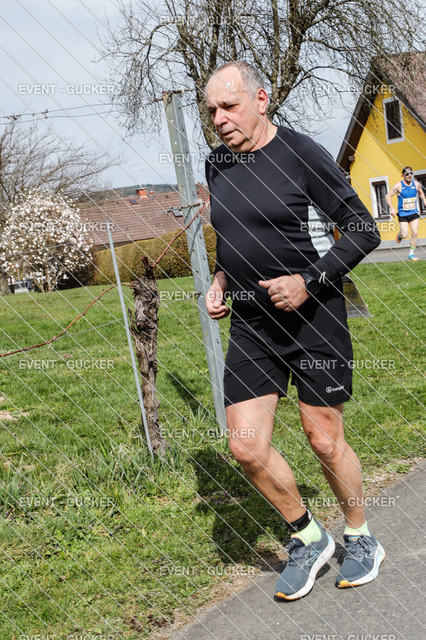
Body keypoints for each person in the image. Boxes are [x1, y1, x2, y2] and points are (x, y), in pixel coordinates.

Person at [204, 61, 384, 601]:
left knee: (323, 438)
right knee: (245, 447)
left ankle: (361, 536)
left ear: (261, 100)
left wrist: (308, 281)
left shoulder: (303, 154)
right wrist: (220, 279)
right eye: (211, 111)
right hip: (252, 324)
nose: (219, 119)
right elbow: (232, 235)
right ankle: (308, 536)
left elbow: (363, 229)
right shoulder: (218, 163)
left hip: (314, 319)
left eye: (229, 106)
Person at [386, 166, 426, 261]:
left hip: (414, 212)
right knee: (405, 235)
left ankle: (411, 254)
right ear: (403, 175)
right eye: (407, 174)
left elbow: (421, 193)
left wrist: (424, 200)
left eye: (411, 173)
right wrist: (392, 209)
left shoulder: (416, 184)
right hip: (403, 214)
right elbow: (388, 196)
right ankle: (400, 235)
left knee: (415, 232)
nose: (409, 175)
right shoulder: (398, 186)